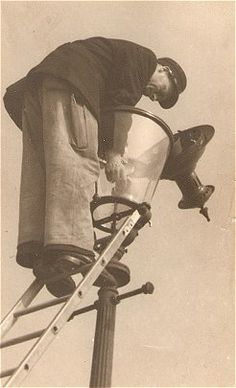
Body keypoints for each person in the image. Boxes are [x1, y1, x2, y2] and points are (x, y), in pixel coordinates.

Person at [4, 36, 187, 297]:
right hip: (71, 83)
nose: (152, 96)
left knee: (44, 171)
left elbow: (105, 112)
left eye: (156, 98)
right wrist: (113, 155)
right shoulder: (144, 59)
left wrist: (104, 149)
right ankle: (70, 249)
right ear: (163, 69)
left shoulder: (115, 62)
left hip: (38, 89)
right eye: (160, 91)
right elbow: (122, 105)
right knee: (77, 162)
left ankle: (39, 249)